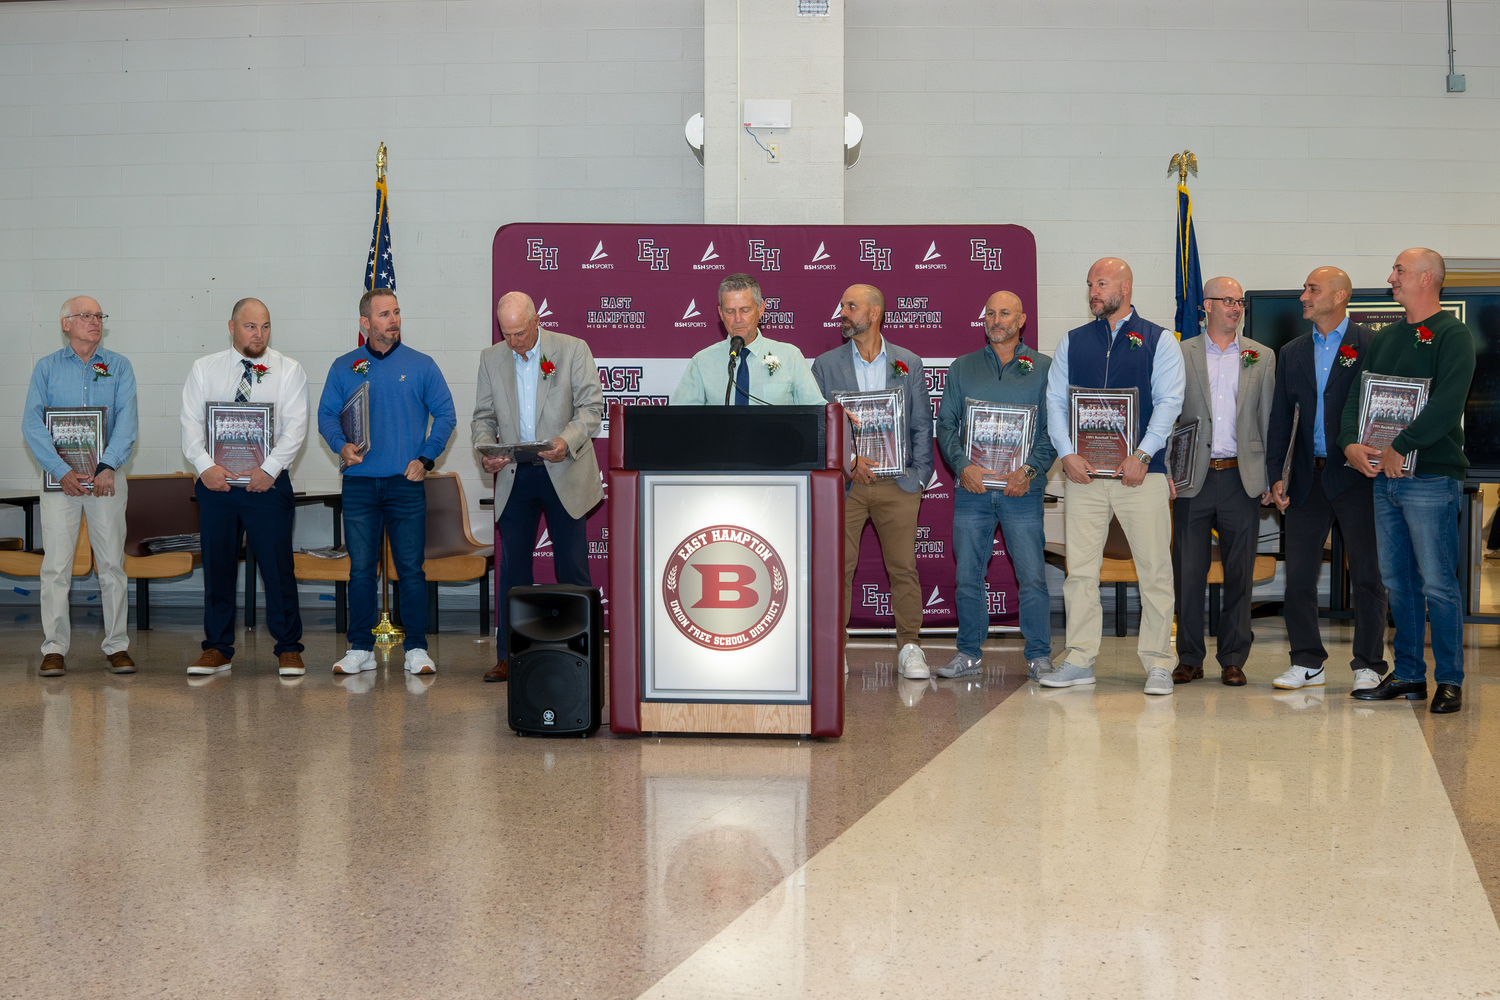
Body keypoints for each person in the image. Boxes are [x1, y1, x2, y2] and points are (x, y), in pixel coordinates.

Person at [1042, 257, 1185, 695]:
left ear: (1126, 286)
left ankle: (1160, 663)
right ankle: (1080, 659)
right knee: (1080, 573)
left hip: (1142, 475)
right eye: (1089, 285)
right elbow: (1055, 402)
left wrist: (1142, 454)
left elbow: (1170, 401)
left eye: (1101, 283)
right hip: (1084, 477)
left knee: (1155, 571)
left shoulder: (1160, 340)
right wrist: (1066, 454)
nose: (1093, 293)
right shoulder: (1073, 341)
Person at [1342, 248, 1475, 714]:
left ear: (1426, 278)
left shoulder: (1453, 335)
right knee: (1398, 582)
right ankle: (1410, 676)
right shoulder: (1385, 337)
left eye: (1399, 271)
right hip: (1385, 478)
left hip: (1431, 477)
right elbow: (1360, 392)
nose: (1391, 277)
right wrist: (1349, 443)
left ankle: (1450, 680)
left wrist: (1403, 445)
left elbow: (1447, 403)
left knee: (1438, 583)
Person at [318, 289, 457, 677]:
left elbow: (446, 414)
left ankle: (416, 648)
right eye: (383, 314)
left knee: (411, 571)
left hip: (405, 485)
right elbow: (326, 415)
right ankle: (359, 647)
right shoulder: (345, 366)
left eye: (396, 312)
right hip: (360, 485)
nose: (392, 320)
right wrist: (340, 444)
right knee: (361, 571)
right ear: (365, 322)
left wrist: (427, 458)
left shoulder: (421, 365)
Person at [1265, 267, 1387, 692]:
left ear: (1340, 297)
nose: (1303, 296)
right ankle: (1306, 662)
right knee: (1298, 576)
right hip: (1305, 478)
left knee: (1368, 576)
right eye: (1304, 288)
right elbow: (1280, 419)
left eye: (1312, 289)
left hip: (1358, 477)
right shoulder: (1292, 351)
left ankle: (1369, 664)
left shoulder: (1372, 344)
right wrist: (1275, 474)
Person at [473, 291, 604, 683]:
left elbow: (591, 408)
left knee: (572, 568)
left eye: (519, 333)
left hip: (563, 468)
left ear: (535, 322)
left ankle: (582, 653)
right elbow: (482, 417)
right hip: (515, 472)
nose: (513, 342)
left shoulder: (572, 349)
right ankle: (509, 656)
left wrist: (566, 440)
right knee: (513, 569)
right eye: (507, 334)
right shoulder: (490, 358)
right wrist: (485, 450)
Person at [180, 298, 309, 677]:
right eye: (251, 326)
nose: (259, 334)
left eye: (266, 326)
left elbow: (295, 427)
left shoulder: (288, 369)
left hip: (267, 486)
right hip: (217, 486)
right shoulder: (205, 368)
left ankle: (289, 647)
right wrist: (205, 467)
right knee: (218, 567)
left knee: (277, 567)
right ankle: (217, 648)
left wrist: (269, 469)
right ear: (232, 327)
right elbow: (190, 425)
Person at [811, 284, 934, 679]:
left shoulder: (908, 363)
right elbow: (820, 425)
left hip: (897, 484)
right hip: (846, 486)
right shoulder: (825, 365)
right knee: (838, 569)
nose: (842, 312)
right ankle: (834, 650)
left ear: (875, 312)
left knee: (903, 568)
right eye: (843, 305)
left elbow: (920, 425)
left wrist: (918, 477)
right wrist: (847, 461)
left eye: (851, 306)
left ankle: (910, 646)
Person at [935, 290, 1056, 681]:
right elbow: (946, 425)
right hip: (972, 490)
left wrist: (1031, 472)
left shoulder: (1044, 368)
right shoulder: (962, 367)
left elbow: (1054, 431)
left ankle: (1039, 654)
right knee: (968, 575)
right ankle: (968, 653)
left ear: (1022, 320)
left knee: (1032, 576)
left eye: (1005, 313)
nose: (996, 320)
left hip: (1022, 491)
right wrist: (962, 465)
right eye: (990, 313)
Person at [1168, 278, 1276, 687]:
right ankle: (1190, 657)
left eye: (1239, 302)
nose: (1235, 308)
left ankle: (1233, 658)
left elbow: (1269, 420)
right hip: (1192, 480)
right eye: (1227, 301)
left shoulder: (1260, 356)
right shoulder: (1180, 353)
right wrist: (1167, 471)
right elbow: (1167, 417)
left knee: (1239, 574)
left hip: (1241, 478)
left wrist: (1270, 475)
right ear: (1206, 306)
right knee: (1188, 574)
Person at [23, 297, 138, 677]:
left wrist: (108, 465)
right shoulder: (46, 368)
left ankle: (117, 646)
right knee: (56, 567)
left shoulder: (118, 366)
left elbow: (127, 421)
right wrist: (60, 469)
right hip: (60, 483)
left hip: (107, 479)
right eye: (86, 316)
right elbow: (32, 425)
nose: (95, 322)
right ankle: (54, 648)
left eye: (99, 316)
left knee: (112, 565)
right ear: (66, 324)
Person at [670, 273, 825, 405]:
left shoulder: (790, 356)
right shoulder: (703, 361)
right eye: (730, 311)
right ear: (720, 313)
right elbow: (681, 419)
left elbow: (817, 413)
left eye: (745, 310)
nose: (738, 319)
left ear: (761, 309)